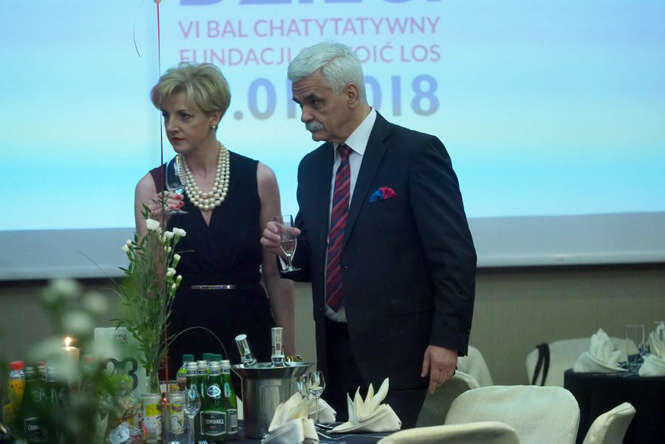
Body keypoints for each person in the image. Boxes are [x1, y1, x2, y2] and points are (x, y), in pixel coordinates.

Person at [261, 42, 476, 428]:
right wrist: (287, 247)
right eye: (300, 104)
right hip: (334, 352)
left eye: (314, 102)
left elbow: (453, 255)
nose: (305, 115)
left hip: (402, 355)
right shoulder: (312, 167)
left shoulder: (416, 153)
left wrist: (446, 340)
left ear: (350, 94)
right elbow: (316, 261)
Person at [135, 63, 295, 377]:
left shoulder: (259, 177)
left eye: (184, 116)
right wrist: (156, 227)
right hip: (183, 333)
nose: (171, 127)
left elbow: (276, 273)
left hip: (250, 329)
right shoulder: (152, 186)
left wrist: (288, 353)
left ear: (214, 117)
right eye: (166, 116)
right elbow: (149, 289)